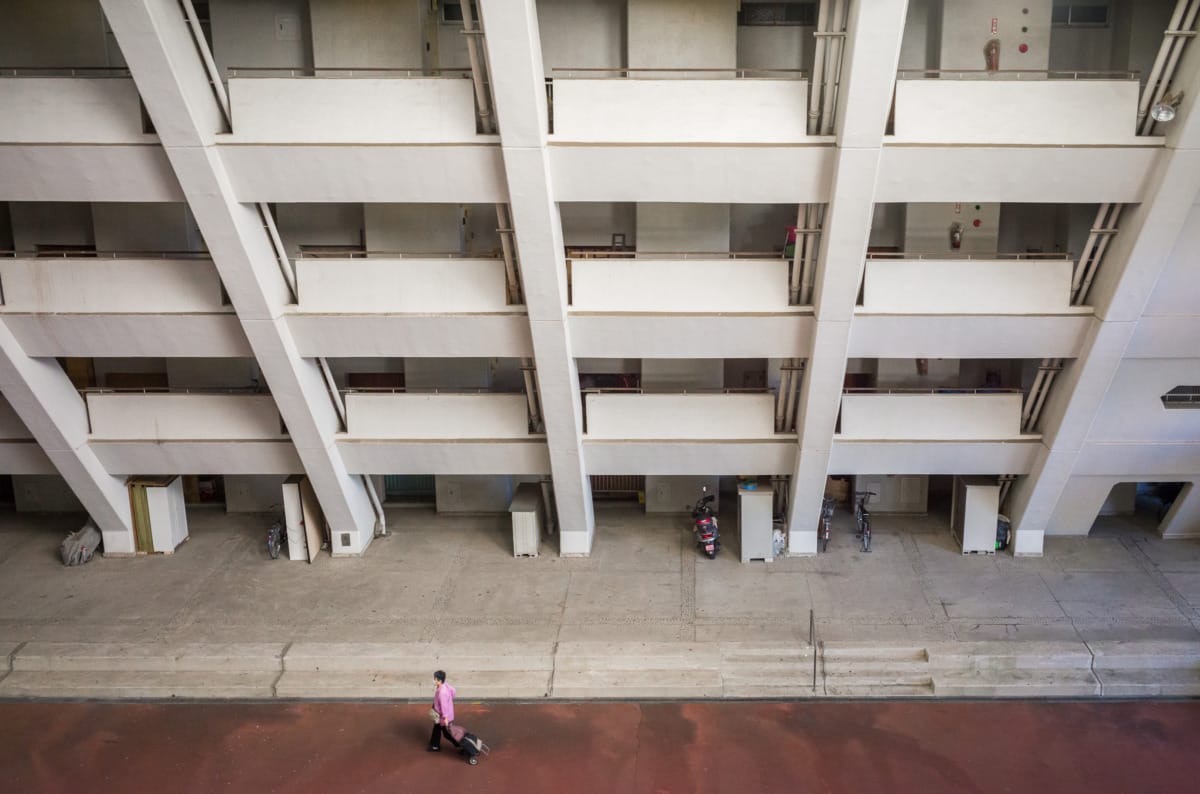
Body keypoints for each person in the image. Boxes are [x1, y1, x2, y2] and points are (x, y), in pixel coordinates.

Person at [427, 670, 460, 752]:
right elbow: (453, 691)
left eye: (435, 679)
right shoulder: (445, 685)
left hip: (443, 717)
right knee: (437, 729)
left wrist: (445, 718)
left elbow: (444, 706)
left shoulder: (442, 692)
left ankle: (459, 744)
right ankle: (435, 745)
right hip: (443, 715)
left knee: (447, 733)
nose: (434, 681)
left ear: (440, 680)